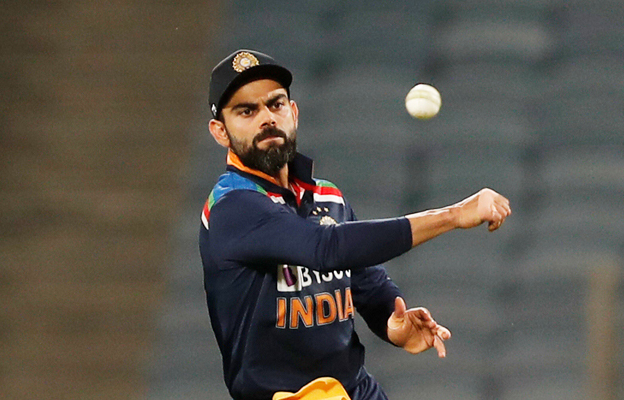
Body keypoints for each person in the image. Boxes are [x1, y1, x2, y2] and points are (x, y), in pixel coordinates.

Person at [199, 49, 511, 400]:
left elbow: (364, 279)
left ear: (294, 112)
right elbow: (326, 248)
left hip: (355, 389)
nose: (267, 118)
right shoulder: (231, 205)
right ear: (220, 132)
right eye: (246, 111)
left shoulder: (326, 196)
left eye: (276, 104)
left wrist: (393, 322)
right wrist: (453, 215)